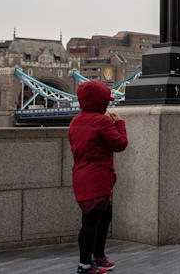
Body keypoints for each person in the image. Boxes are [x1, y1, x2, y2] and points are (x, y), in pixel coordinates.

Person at [68, 81, 128, 274]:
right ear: (99, 101)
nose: (108, 104)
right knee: (91, 222)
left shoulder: (75, 121)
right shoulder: (102, 121)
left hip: (81, 174)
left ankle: (99, 258)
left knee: (103, 216)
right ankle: (85, 265)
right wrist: (119, 123)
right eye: (106, 101)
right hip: (98, 176)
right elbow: (120, 144)